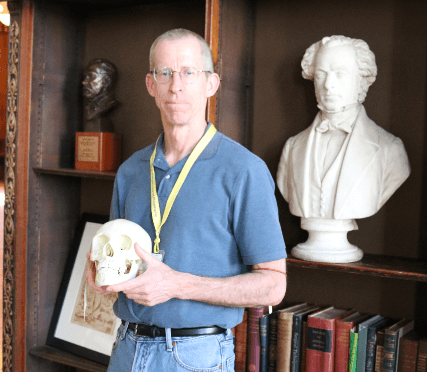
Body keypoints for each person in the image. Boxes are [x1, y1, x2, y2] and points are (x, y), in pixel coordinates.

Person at [86, 28, 287, 371]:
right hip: (125, 347)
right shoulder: (131, 170)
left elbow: (273, 286)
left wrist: (176, 284)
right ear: (151, 85)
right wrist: (98, 274)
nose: (175, 86)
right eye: (164, 73)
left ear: (211, 84)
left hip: (195, 355)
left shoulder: (244, 170)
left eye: (189, 73)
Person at [277, 35, 410, 222]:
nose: (328, 85)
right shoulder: (292, 148)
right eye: (321, 74)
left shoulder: (390, 148)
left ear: (362, 80)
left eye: (340, 73)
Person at [82, 58, 120, 132]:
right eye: (85, 77)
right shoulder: (89, 108)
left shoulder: (108, 105)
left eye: (91, 76)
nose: (84, 82)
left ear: (106, 81)